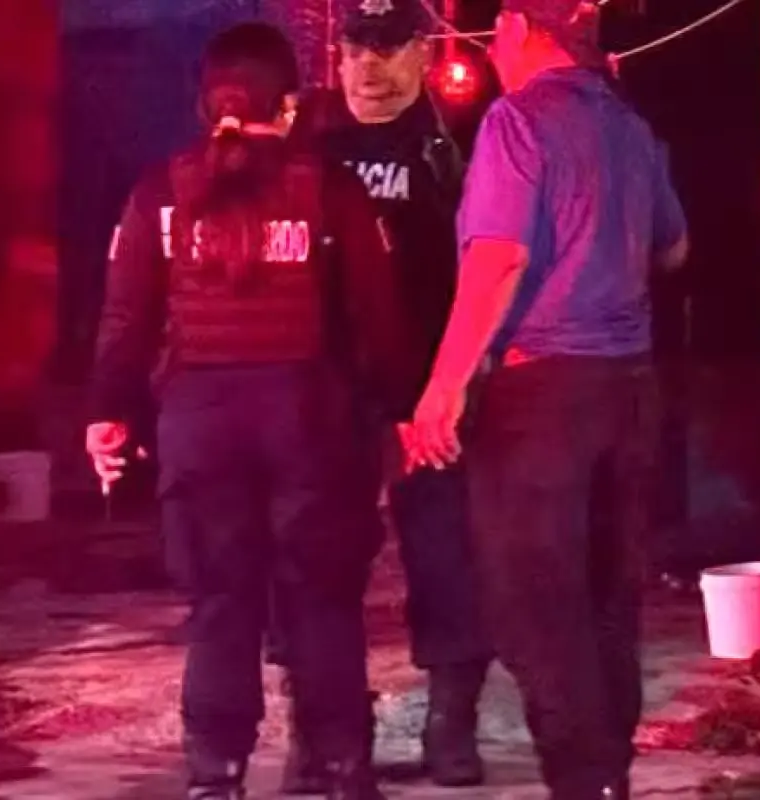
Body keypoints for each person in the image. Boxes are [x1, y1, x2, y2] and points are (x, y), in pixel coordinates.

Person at [85, 22, 410, 800]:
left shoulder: (158, 192)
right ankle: (339, 767)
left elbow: (125, 318)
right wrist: (400, 415)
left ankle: (216, 774)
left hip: (200, 426)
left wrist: (106, 414)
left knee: (221, 605)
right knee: (323, 602)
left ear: (206, 104)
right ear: (289, 106)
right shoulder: (332, 190)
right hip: (310, 423)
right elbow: (378, 317)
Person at [408, 2, 689, 798]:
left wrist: (444, 386)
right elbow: (675, 245)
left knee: (537, 608)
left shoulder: (516, 122)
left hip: (542, 398)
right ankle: (608, 779)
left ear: (517, 29)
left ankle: (582, 780)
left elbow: (498, 261)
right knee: (608, 600)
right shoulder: (630, 129)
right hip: (629, 389)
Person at [268, 0, 493, 791]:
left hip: (430, 394)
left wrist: (457, 380)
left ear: (424, 52)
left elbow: (491, 263)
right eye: (356, 47)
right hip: (326, 397)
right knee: (309, 565)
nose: (368, 65)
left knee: (449, 557)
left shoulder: (457, 142)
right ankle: (321, 732)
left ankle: (452, 728)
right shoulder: (308, 140)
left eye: (389, 47)